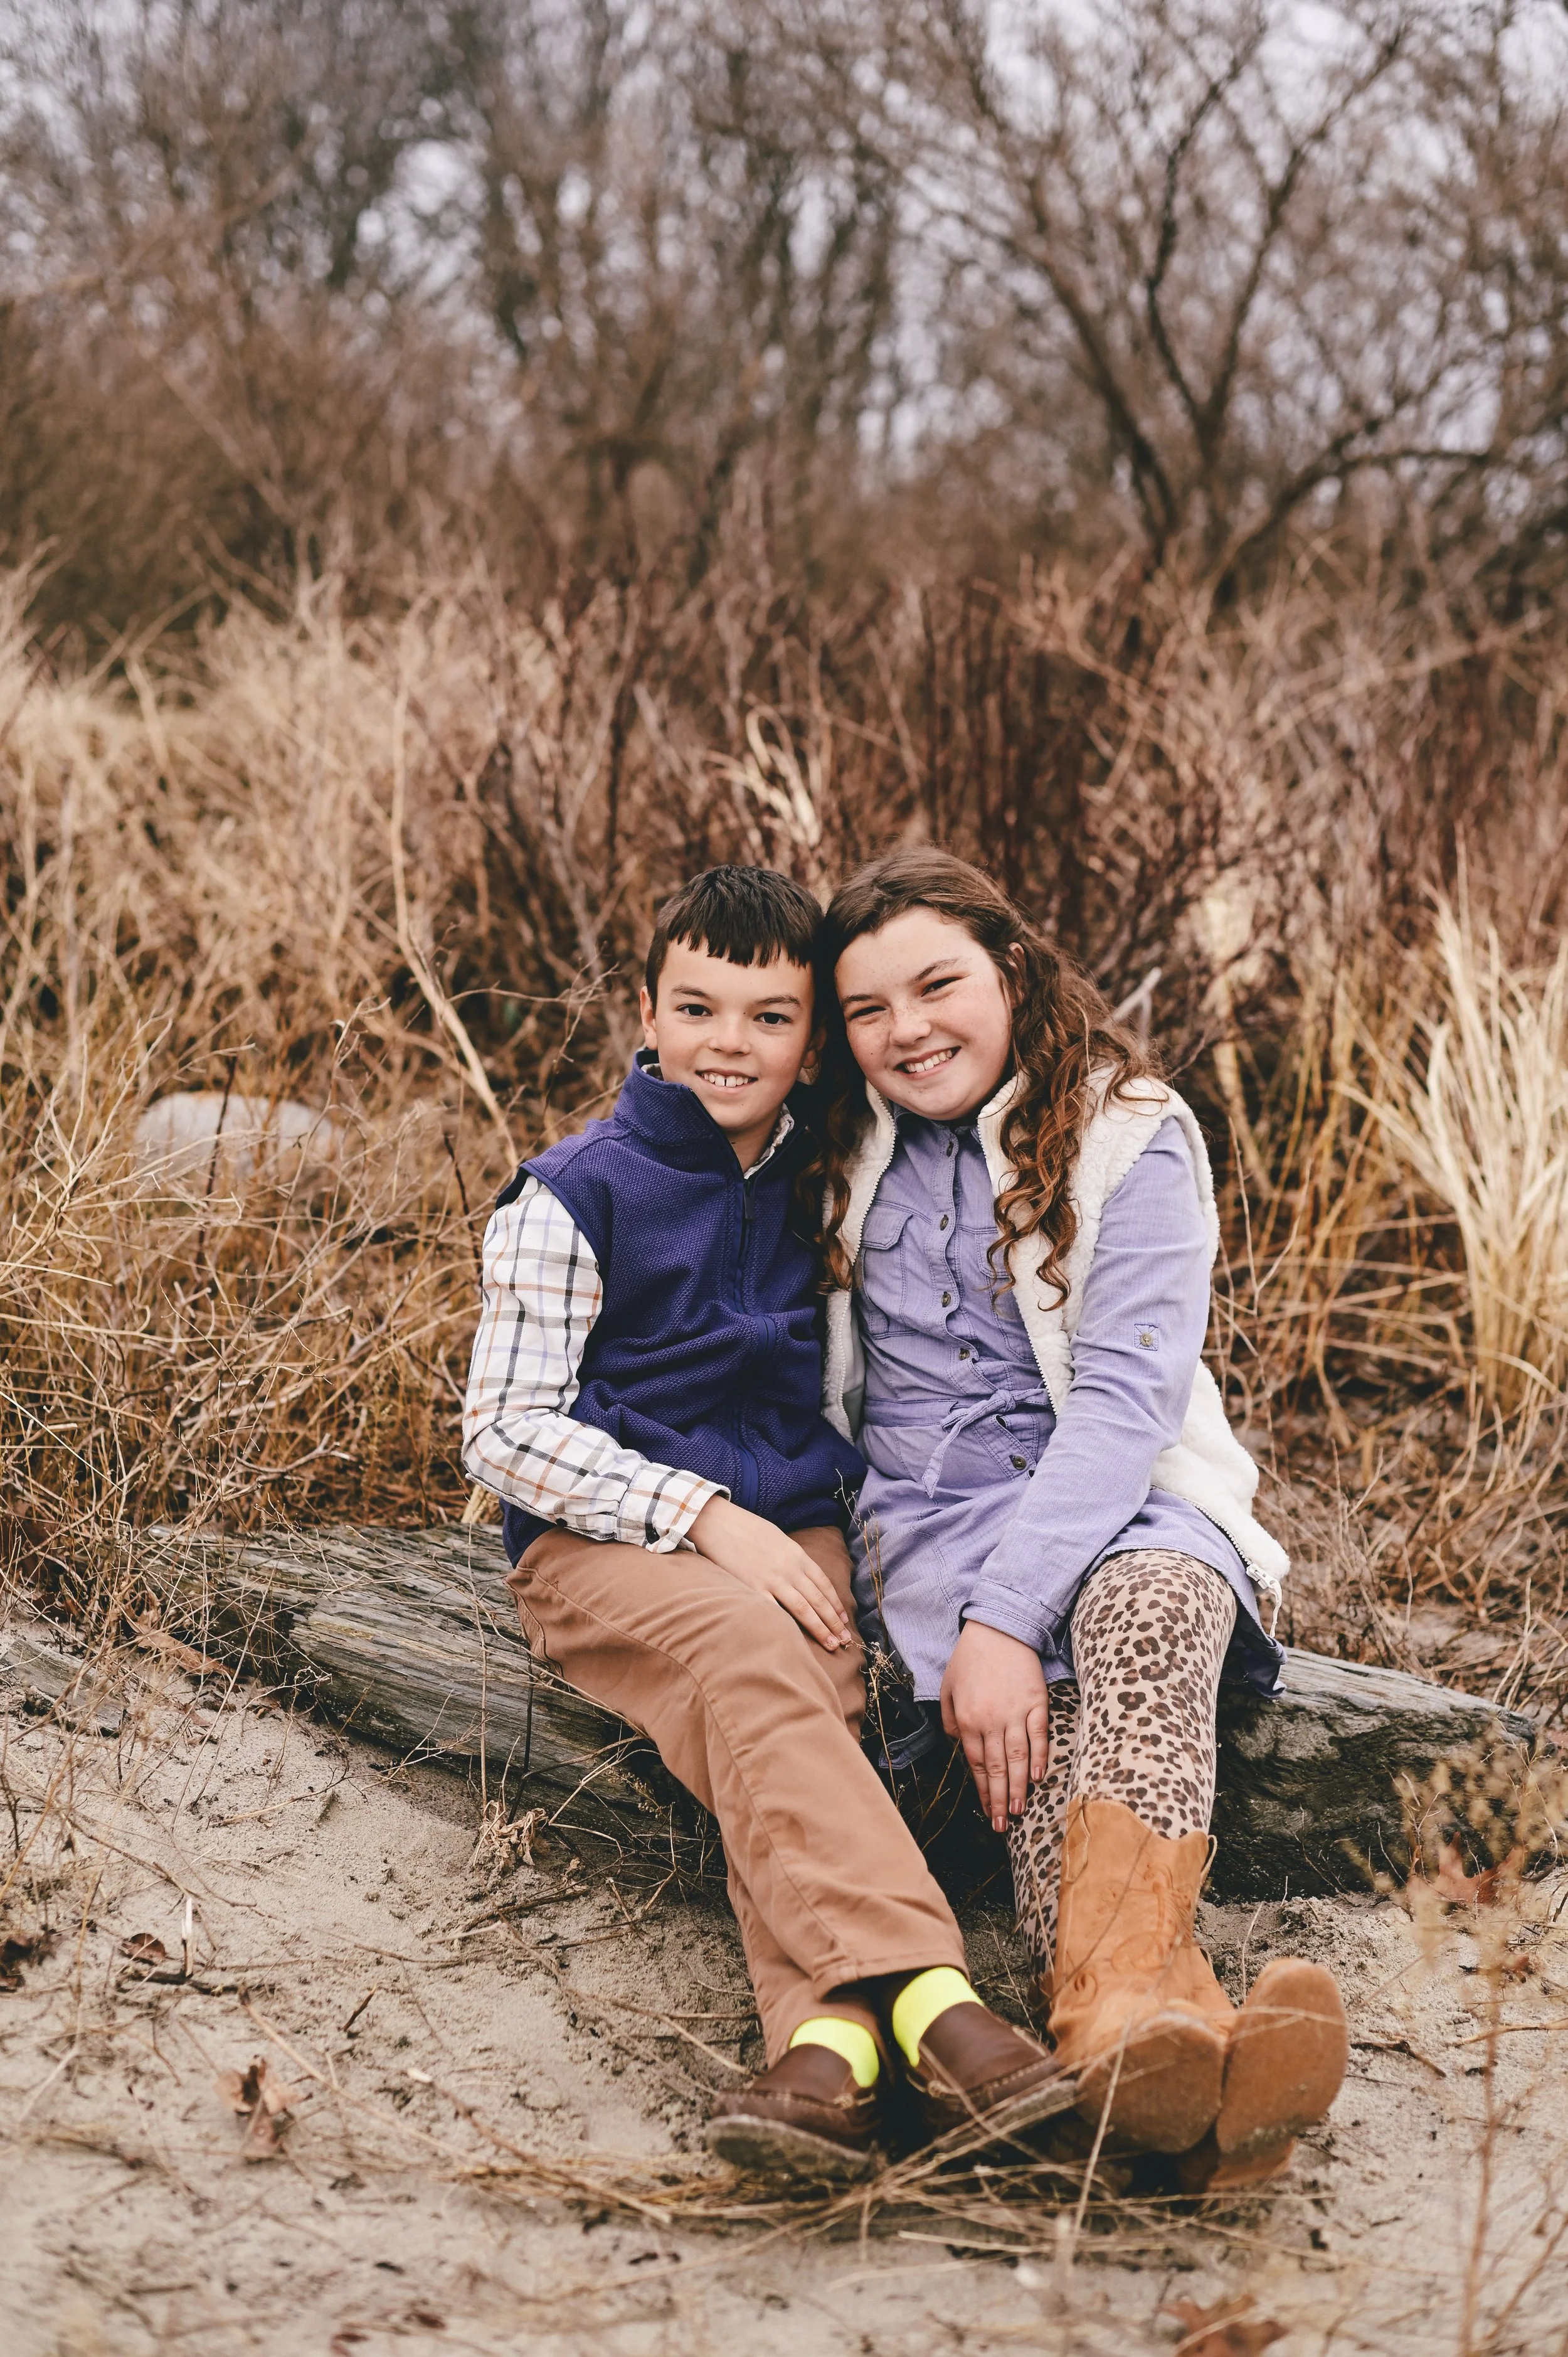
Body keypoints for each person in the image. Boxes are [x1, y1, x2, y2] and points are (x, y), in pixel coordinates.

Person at [462, 865, 1074, 2183]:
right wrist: (699, 1517)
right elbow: (502, 1431)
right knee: (746, 1657)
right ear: (646, 1009)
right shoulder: (576, 1190)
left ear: (810, 1045)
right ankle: (938, 2006)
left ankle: (826, 2059)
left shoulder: (822, 1175)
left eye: (766, 1018)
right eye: (695, 1009)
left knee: (808, 1701)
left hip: (793, 1521)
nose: (724, 1045)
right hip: (601, 1540)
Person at [815, 847, 1348, 2191]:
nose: (906, 1030)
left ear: (1009, 967)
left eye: (936, 984)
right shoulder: (833, 1145)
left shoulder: (1128, 1130)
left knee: (1144, 1613)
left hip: (1130, 1497)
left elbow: (1120, 1406)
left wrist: (1006, 1619)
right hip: (928, 1531)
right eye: (867, 1010)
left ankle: (1121, 2020)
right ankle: (1185, 2056)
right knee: (1029, 1745)